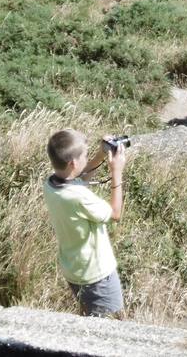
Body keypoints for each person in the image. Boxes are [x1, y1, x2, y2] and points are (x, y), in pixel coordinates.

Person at [43, 129, 127, 317]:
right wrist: (117, 172)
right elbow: (115, 213)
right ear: (73, 162)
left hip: (74, 269)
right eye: (85, 155)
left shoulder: (50, 184)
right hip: (96, 275)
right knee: (112, 327)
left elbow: (78, 178)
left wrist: (100, 155)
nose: (87, 158)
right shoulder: (79, 197)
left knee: (88, 317)